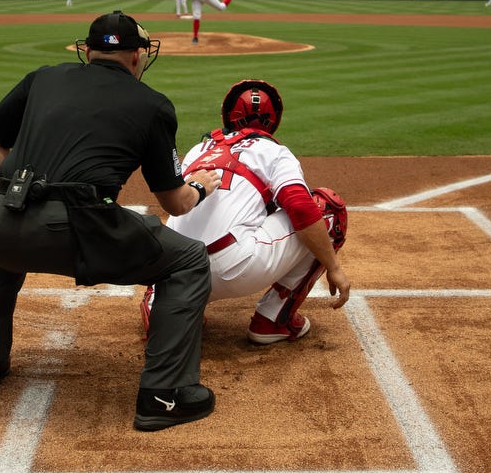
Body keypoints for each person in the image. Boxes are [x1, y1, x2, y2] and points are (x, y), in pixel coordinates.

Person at [0, 10, 226, 431]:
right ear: (138, 57)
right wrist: (200, 185)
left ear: (87, 51)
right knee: (189, 260)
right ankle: (165, 394)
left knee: (5, 251)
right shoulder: (152, 104)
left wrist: (12, 199)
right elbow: (176, 204)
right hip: (78, 228)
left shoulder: (43, 77)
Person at [147, 80, 351, 345]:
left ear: (228, 115)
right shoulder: (274, 151)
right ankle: (273, 320)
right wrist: (333, 266)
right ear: (272, 121)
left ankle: (161, 307)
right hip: (231, 269)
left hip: (175, 270)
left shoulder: (199, 150)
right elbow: (301, 207)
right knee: (326, 207)